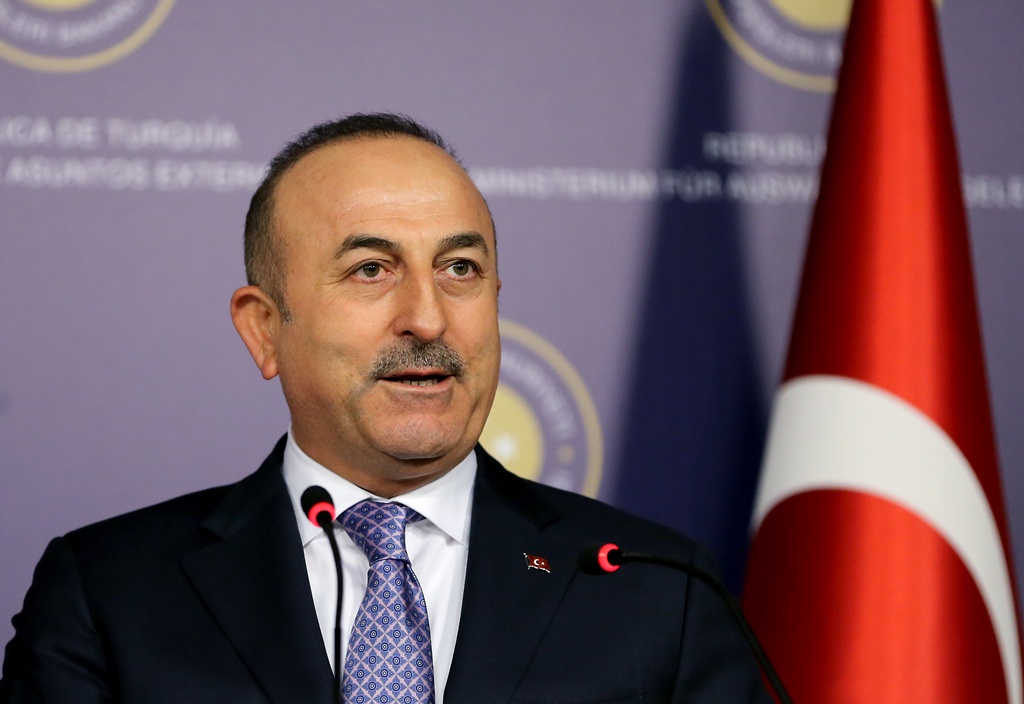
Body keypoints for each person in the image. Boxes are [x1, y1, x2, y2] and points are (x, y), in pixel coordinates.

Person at [1, 113, 771, 703]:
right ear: (264, 329)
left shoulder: (654, 590)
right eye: (371, 269)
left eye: (460, 269)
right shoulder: (108, 594)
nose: (429, 319)